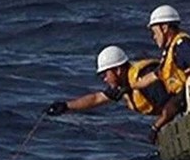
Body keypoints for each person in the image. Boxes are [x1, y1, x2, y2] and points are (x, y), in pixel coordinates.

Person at [131, 4, 190, 142]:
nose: (154, 37)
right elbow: (154, 76)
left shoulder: (181, 44)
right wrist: (133, 86)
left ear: (165, 28)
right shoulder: (169, 52)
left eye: (155, 32)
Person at [43, 45, 171, 129]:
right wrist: (66, 106)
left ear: (118, 70)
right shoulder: (125, 84)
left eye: (106, 74)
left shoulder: (144, 78)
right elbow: (97, 98)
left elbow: (169, 103)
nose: (104, 79)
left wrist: (157, 127)